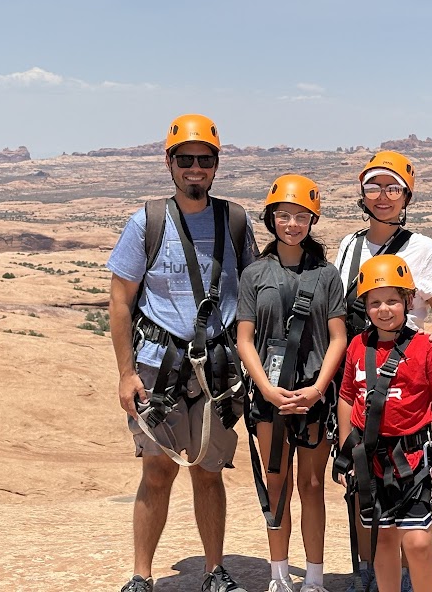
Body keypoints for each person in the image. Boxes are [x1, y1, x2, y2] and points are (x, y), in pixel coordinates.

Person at [107, 113, 258, 592]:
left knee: (210, 472)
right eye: (186, 159)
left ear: (216, 165)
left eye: (205, 160)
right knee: (157, 472)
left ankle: (214, 571)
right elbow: (120, 301)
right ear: (169, 162)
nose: (196, 168)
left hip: (218, 369)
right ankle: (141, 576)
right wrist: (126, 373)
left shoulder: (234, 220)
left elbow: (254, 291)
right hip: (158, 368)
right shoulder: (146, 222)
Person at [334, 150, 432, 591]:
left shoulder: (421, 248)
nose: (382, 197)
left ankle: (400, 577)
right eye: (373, 187)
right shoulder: (349, 246)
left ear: (407, 195)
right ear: (362, 195)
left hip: (406, 371)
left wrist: (431, 342)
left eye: (392, 188)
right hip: (360, 368)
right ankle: (367, 573)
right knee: (363, 479)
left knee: (404, 496)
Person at [236, 174, 348, 592]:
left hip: (312, 395)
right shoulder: (255, 274)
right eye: (284, 215)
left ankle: (314, 579)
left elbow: (338, 337)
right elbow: (244, 338)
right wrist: (265, 388)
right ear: (271, 218)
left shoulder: (327, 274)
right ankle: (279, 576)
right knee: (277, 481)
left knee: (313, 486)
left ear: (312, 220)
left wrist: (318, 389)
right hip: (270, 397)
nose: (292, 224)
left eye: (301, 216)